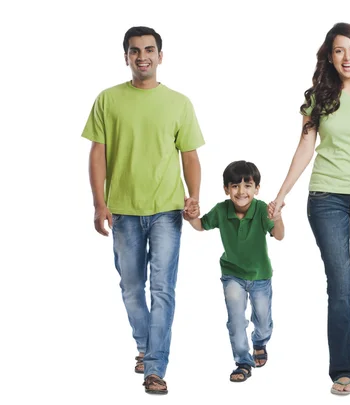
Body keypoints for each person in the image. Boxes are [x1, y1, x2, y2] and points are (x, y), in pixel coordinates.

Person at [268, 22, 350, 395]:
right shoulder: (319, 97)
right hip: (327, 199)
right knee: (340, 286)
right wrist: (281, 193)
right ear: (330, 55)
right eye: (339, 50)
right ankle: (342, 370)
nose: (347, 57)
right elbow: (305, 147)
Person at [81, 26, 204, 395]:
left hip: (167, 210)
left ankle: (155, 367)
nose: (142, 56)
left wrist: (194, 196)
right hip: (123, 211)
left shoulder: (179, 103)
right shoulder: (108, 99)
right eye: (134, 51)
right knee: (132, 288)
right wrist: (99, 203)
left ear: (160, 56)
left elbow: (190, 156)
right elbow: (98, 154)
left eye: (149, 49)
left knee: (163, 290)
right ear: (126, 57)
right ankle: (144, 344)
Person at [186, 160, 284, 383]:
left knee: (263, 320)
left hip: (260, 276)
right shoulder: (222, 210)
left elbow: (279, 235)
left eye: (247, 186)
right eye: (235, 186)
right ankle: (243, 361)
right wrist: (191, 217)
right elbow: (201, 225)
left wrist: (276, 217)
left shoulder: (261, 209)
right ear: (226, 189)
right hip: (232, 275)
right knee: (236, 319)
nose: (241, 191)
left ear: (256, 189)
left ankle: (260, 342)